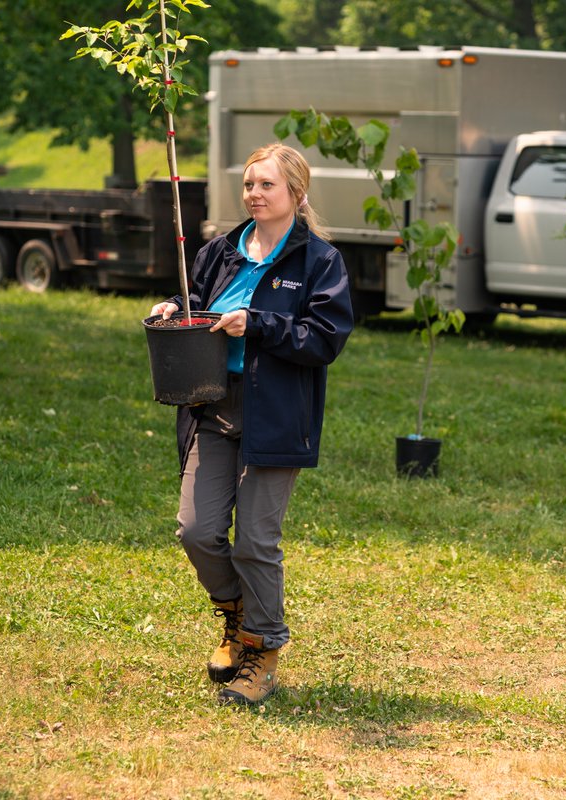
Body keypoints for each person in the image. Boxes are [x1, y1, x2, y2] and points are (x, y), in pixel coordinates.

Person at [149, 143, 353, 706]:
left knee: (255, 542)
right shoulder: (220, 250)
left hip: (278, 413)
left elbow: (325, 339)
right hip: (213, 404)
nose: (255, 194)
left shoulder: (319, 262)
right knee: (197, 530)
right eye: (249, 185)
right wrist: (172, 307)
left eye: (267, 186)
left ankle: (261, 651)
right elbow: (192, 297)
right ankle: (236, 618)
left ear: (296, 194)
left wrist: (257, 325)